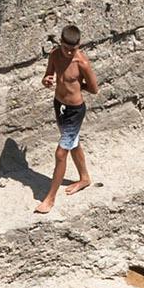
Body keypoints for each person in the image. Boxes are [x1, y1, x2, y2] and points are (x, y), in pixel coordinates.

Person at [36, 24, 99, 213]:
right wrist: (46, 80)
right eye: (67, 48)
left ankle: (50, 199)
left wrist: (78, 85)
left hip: (75, 111)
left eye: (74, 49)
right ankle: (85, 178)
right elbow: (48, 75)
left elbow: (94, 89)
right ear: (60, 43)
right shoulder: (55, 55)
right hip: (59, 106)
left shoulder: (82, 63)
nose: (70, 52)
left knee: (61, 153)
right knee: (73, 144)